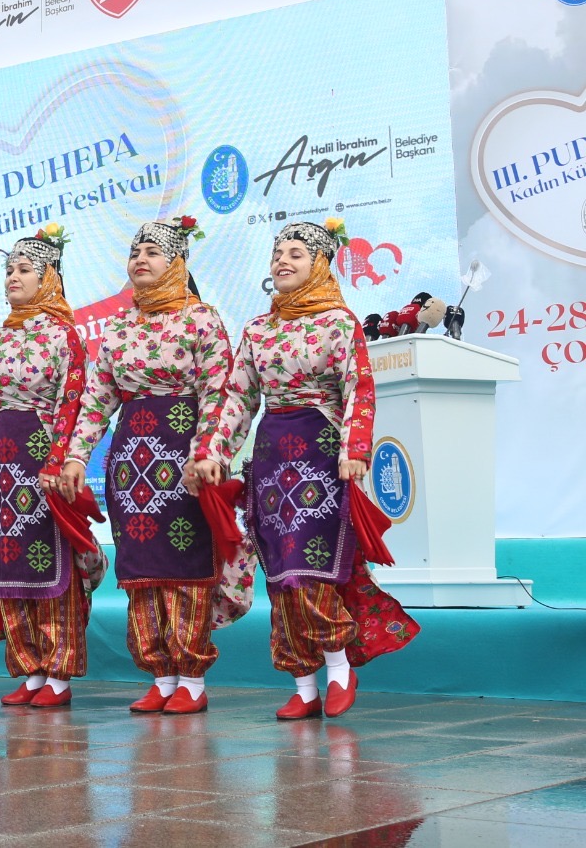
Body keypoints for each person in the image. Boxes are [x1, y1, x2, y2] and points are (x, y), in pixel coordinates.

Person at [207, 219, 414, 720]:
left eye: (297, 254)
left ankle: (341, 669)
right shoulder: (258, 329)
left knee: (311, 567)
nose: (284, 261)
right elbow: (238, 396)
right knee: (280, 572)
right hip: (272, 459)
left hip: (321, 456)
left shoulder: (339, 323)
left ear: (320, 264)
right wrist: (215, 450)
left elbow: (358, 390)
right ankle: (303, 685)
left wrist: (356, 448)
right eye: (279, 253)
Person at [61, 216, 233, 715]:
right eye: (136, 252)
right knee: (142, 570)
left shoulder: (202, 320)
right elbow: (96, 400)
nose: (140, 259)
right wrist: (76, 456)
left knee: (183, 567)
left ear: (177, 263)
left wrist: (206, 453)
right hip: (130, 464)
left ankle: (192, 679)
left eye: (153, 253)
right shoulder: (118, 329)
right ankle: (160, 673)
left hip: (182, 461)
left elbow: (219, 393)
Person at [0, 226, 92, 709]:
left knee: (51, 562)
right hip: (2, 462)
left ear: (49, 278)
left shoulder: (65, 336)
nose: (12, 278)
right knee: (10, 563)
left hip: (42, 457)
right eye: (9, 270)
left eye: (24, 270)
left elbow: (72, 402)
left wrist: (59, 459)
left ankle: (58, 673)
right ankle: (27, 667)